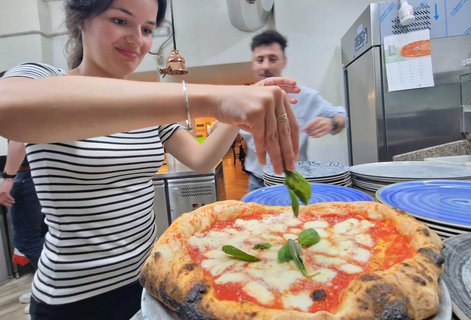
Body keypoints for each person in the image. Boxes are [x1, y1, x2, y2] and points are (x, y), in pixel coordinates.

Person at [0, 1, 301, 319]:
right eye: (120, 20)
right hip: (73, 298)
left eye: (147, 29)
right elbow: (8, 108)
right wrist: (216, 98)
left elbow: (200, 160)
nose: (137, 39)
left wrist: (239, 104)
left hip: (149, 278)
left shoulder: (148, 107)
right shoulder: (44, 77)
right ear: (80, 22)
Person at [240, 30, 348, 191]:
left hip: (295, 181)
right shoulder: (240, 99)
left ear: (284, 62)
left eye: (273, 59)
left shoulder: (306, 96)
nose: (266, 66)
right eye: (260, 60)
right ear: (253, 64)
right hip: (258, 182)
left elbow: (342, 117)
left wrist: (332, 122)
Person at [0, 140, 47, 312]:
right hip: (40, 175)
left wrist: (7, 178)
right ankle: (41, 288)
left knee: (25, 240)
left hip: (26, 175)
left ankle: (48, 291)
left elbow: (19, 139)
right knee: (43, 236)